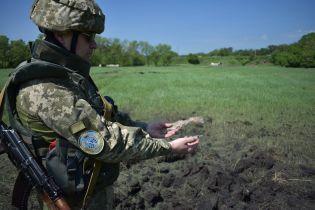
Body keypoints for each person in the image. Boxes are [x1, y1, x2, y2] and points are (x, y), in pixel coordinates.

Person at [5, 0, 200, 209]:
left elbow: (99, 114)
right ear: (61, 33)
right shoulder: (47, 90)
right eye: (88, 37)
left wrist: (145, 128)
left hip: (88, 193)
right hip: (72, 202)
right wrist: (168, 147)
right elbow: (104, 142)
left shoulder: (66, 75)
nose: (94, 44)